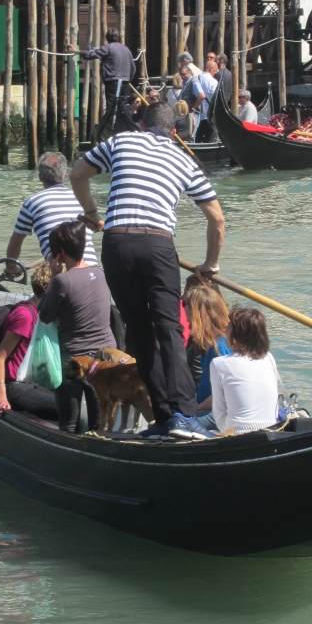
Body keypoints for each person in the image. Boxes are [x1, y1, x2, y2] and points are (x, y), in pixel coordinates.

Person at [69, 101, 226, 440]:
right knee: (169, 330)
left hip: (116, 244)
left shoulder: (121, 141)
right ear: (174, 133)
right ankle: (183, 416)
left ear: (141, 125)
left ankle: (164, 418)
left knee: (139, 332)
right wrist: (210, 265)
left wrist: (92, 213)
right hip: (157, 245)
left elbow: (77, 174)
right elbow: (217, 218)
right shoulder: (184, 159)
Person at [39, 221, 116, 431]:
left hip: (73, 358)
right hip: (105, 355)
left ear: (60, 254)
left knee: (69, 423)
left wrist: (54, 276)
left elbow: (44, 316)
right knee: (100, 422)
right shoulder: (100, 273)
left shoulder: (62, 281)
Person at [8, 152, 97, 268]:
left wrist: (11, 267)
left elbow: (16, 241)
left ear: (40, 177)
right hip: (93, 268)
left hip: (59, 270)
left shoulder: (32, 202)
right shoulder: (82, 198)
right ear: (65, 176)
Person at [0, 261, 58, 420]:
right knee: (67, 408)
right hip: (14, 386)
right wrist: (1, 396)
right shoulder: (25, 316)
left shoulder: (41, 312)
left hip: (31, 380)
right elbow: (0, 358)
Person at [210, 307, 279, 434]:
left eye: (228, 327)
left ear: (238, 334)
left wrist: (226, 432)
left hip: (236, 432)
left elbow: (219, 414)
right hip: (271, 428)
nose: (224, 331)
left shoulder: (219, 364)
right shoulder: (269, 357)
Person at [183, 283, 231, 414]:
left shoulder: (220, 347)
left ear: (196, 311)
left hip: (214, 411)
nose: (183, 308)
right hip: (204, 405)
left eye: (185, 304)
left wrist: (196, 409)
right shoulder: (206, 343)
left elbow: (226, 392)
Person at [78, 28, 136, 110]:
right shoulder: (126, 49)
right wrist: (128, 79)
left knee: (111, 104)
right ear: (118, 37)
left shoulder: (107, 48)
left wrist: (78, 52)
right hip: (125, 80)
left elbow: (92, 54)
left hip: (112, 80)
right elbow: (133, 68)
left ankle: (112, 118)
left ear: (107, 38)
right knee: (123, 104)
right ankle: (122, 118)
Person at [192, 59, 218, 142]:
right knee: (210, 139)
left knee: (196, 138)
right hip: (208, 115)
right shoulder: (213, 82)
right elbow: (215, 99)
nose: (216, 72)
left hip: (196, 115)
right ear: (210, 68)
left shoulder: (195, 78)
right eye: (215, 70)